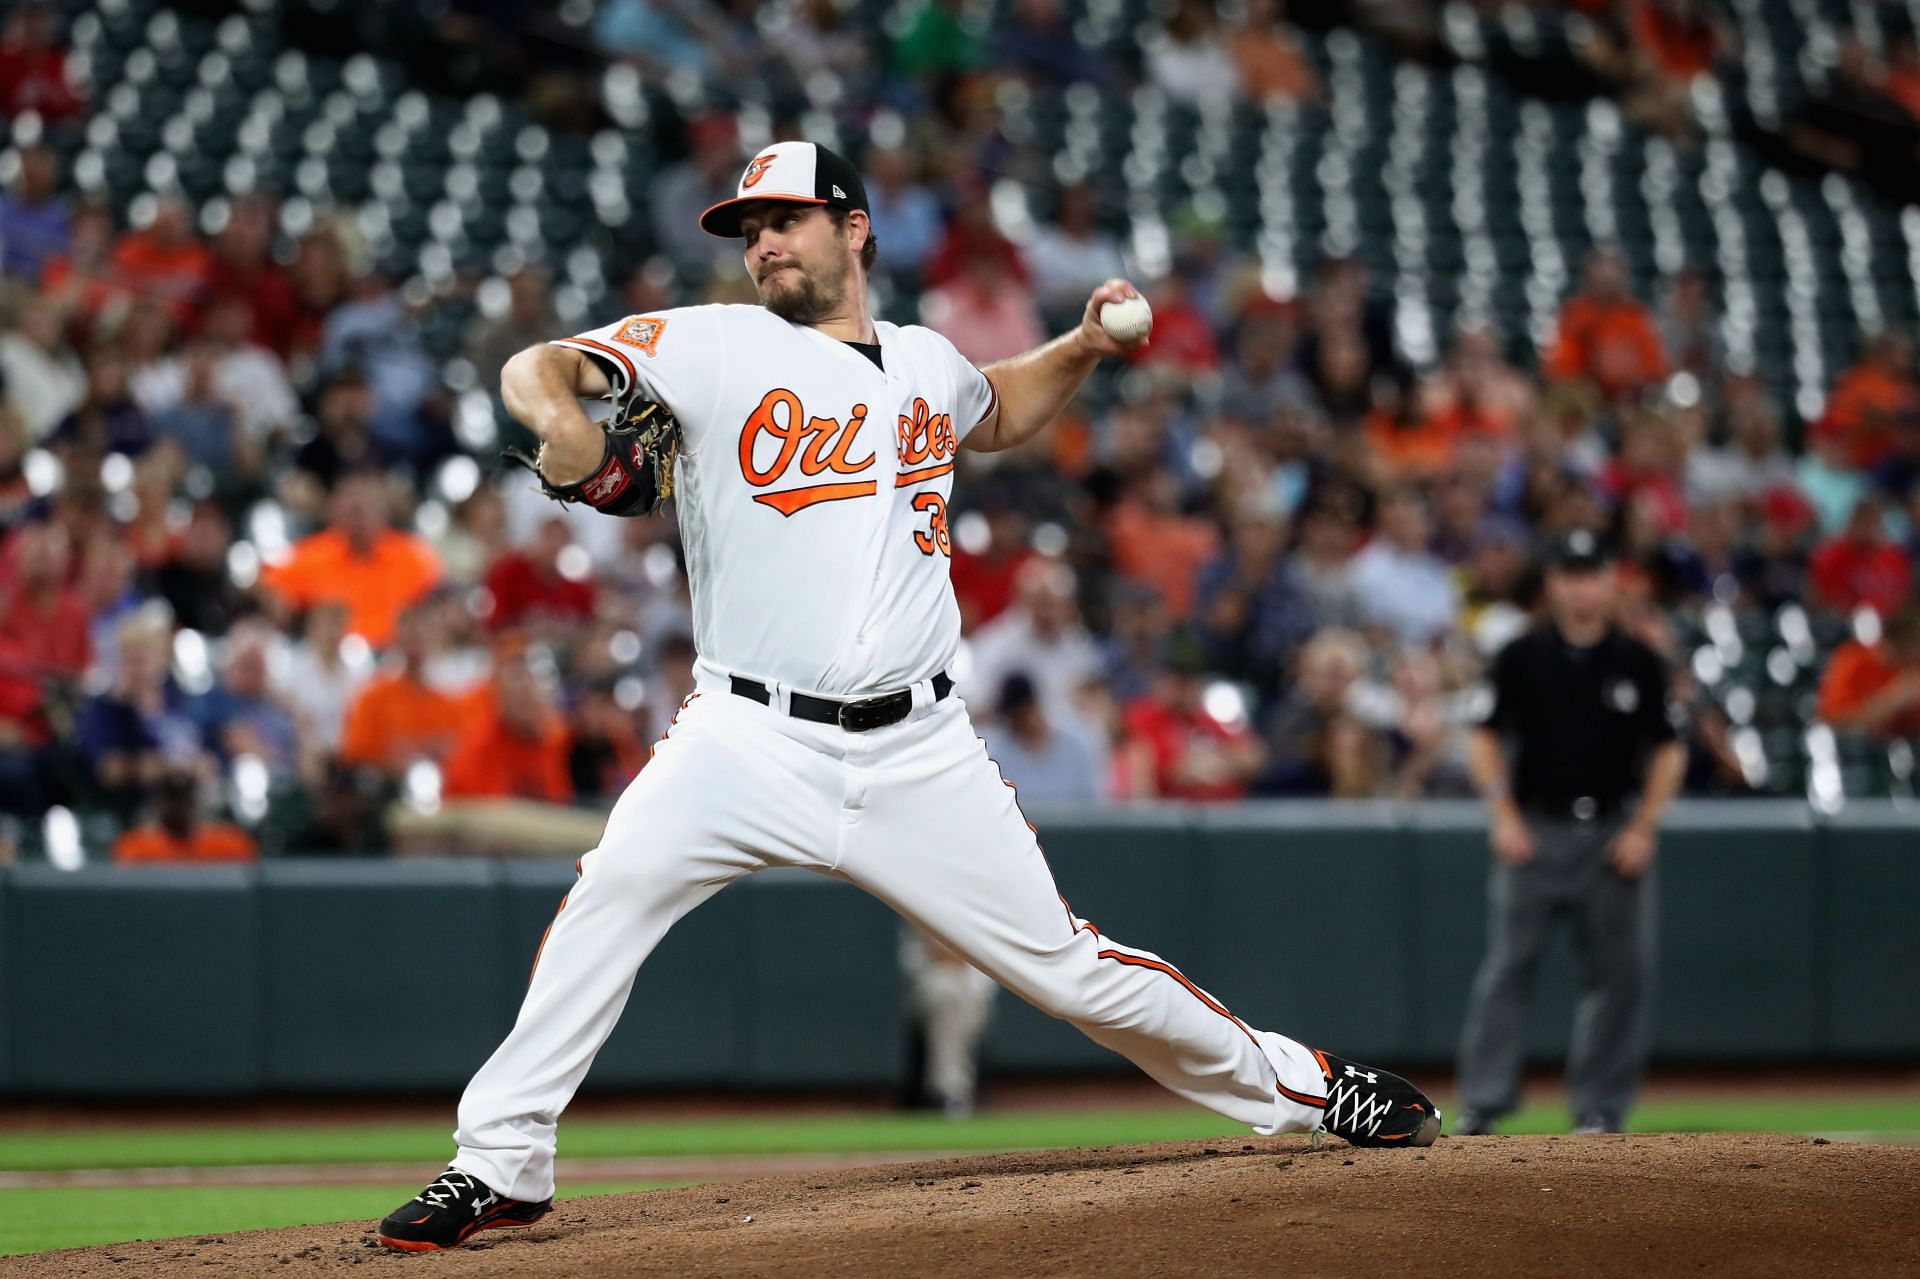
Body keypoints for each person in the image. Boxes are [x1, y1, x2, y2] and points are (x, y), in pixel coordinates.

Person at [376, 139, 1439, 1254]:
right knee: (611, 896)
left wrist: (1078, 344)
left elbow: (998, 409)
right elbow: (538, 366)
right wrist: (565, 426)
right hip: (742, 733)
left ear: (855, 227)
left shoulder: (927, 362)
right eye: (750, 230)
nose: (764, 243)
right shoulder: (714, 342)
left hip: (919, 748)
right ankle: (497, 1162)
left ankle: (1313, 1086)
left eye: (786, 218)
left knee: (1070, 969)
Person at [1455, 529, 1688, 1137]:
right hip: (1537, 827)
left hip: (1612, 832)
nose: (1581, 586)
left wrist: (1644, 826)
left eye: (1591, 573)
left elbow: (1669, 750)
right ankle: (1483, 1103)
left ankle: (1600, 1108)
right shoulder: (1522, 655)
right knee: (1507, 968)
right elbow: (1482, 736)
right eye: (1570, 573)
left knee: (1619, 977)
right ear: (1553, 583)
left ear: (1610, 580)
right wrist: (1503, 815)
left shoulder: (1638, 660)